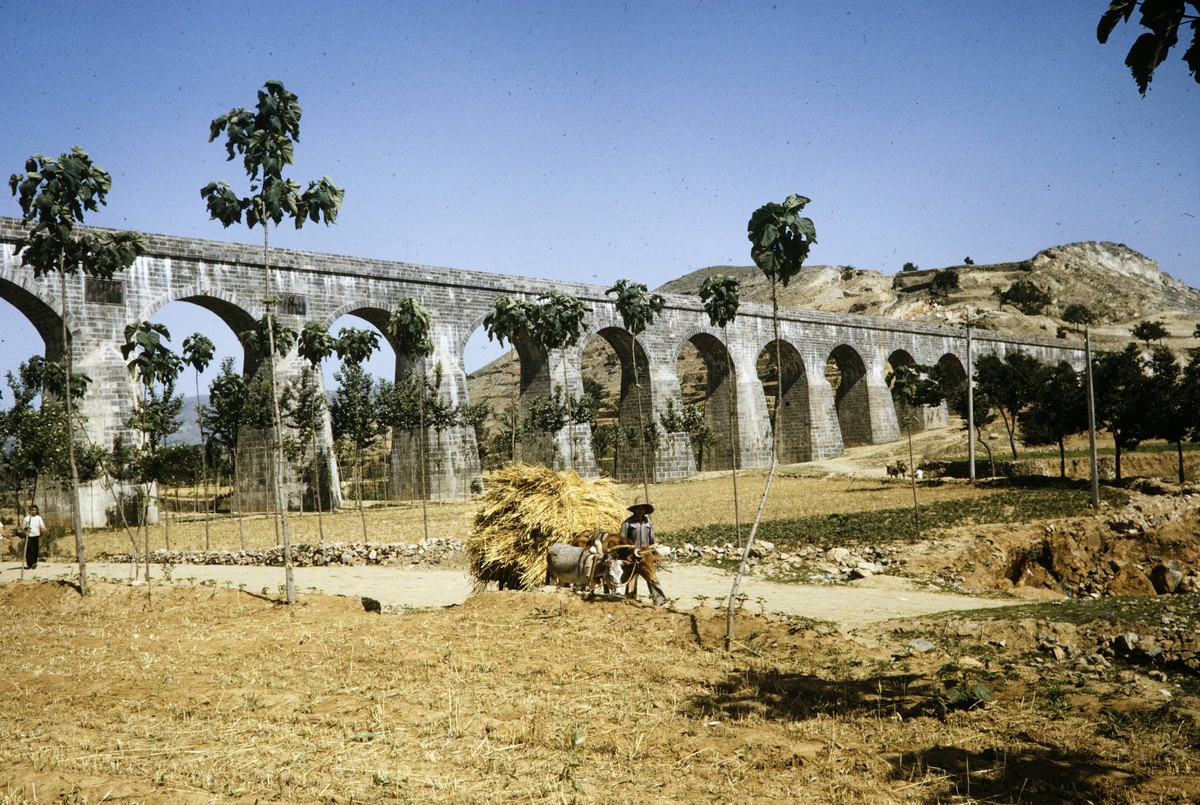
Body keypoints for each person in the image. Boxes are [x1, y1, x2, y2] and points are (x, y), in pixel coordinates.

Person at [620, 497, 667, 602]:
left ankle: (659, 600)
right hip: (633, 555)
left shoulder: (648, 523)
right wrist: (629, 552)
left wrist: (654, 554)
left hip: (646, 556)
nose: (640, 511)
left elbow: (651, 541)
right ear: (634, 510)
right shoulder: (627, 523)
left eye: (642, 509)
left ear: (645, 510)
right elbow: (622, 542)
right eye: (638, 508)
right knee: (631, 578)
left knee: (651, 576)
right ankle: (630, 599)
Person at [21, 505, 46, 570]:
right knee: (30, 550)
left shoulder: (38, 518)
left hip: (36, 536)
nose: (33, 511)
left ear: (37, 511)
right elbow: (22, 528)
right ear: (30, 510)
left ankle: (34, 563)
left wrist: (43, 529)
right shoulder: (26, 518)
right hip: (29, 536)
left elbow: (42, 526)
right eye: (32, 510)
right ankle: (30, 564)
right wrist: (25, 530)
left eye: (35, 510)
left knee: (35, 550)